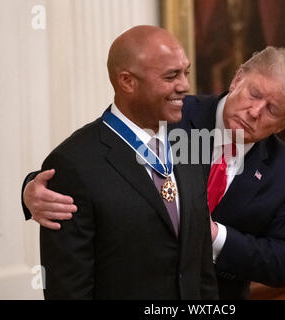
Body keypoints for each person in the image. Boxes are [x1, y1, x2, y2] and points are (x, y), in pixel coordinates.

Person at [23, 45, 285, 299]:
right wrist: (30, 190)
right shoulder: (171, 114)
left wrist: (214, 235)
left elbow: (283, 262)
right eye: (254, 94)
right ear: (238, 78)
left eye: (273, 110)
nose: (255, 111)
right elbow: (99, 157)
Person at [24, 25, 218, 299]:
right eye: (171, 75)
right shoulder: (73, 164)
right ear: (127, 81)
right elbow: (68, 290)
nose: (185, 85)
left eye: (185, 72)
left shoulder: (189, 144)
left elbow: (201, 270)